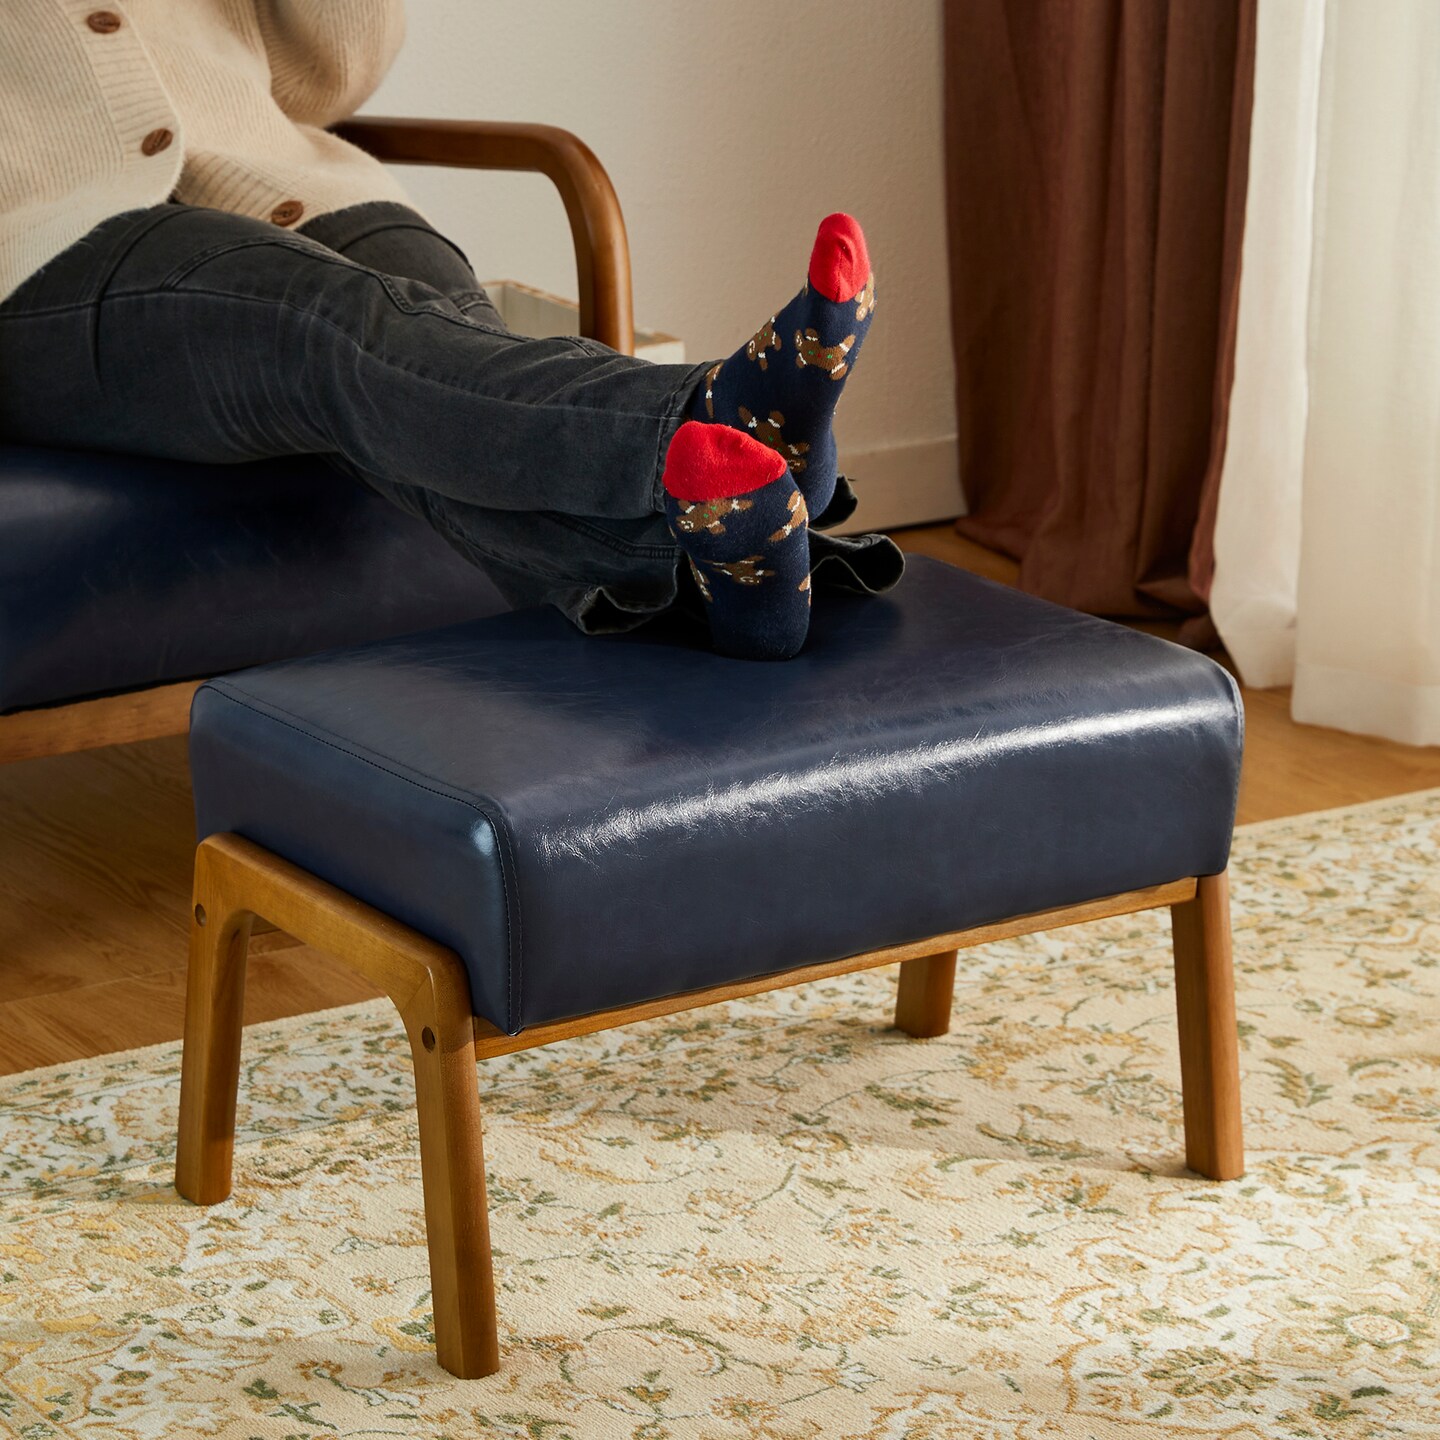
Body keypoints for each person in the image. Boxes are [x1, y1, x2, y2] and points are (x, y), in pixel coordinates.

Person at [0, 1, 901, 660]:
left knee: (443, 361)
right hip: (35, 245)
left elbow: (322, 78)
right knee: (323, 327)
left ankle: (741, 591)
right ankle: (706, 412)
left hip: (284, 176)